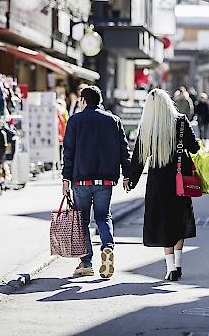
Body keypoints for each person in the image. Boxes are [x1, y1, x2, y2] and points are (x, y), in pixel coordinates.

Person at [128, 89, 200, 281]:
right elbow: (194, 148)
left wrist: (130, 180)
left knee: (164, 222)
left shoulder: (148, 126)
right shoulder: (182, 121)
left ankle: (170, 269)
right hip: (179, 178)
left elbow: (139, 158)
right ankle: (178, 265)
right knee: (179, 220)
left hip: (158, 180)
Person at [61, 86, 131, 279]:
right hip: (106, 180)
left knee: (82, 220)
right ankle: (107, 246)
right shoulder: (113, 121)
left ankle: (86, 262)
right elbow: (124, 150)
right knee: (103, 216)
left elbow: (68, 152)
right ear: (99, 100)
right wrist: (127, 175)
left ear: (83, 100)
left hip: (81, 180)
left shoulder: (75, 120)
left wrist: (66, 178)